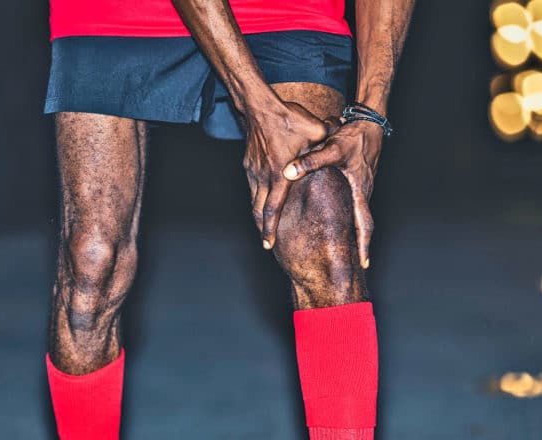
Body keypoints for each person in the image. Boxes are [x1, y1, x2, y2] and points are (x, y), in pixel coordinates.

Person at [43, 1, 414, 438]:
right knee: (92, 260)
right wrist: (260, 108)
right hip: (120, 10)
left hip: (285, 9)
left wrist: (371, 113)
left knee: (324, 221)